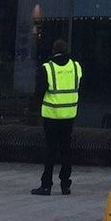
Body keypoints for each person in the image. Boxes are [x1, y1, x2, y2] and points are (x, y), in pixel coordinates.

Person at [31, 39, 82, 196]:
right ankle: (65, 185)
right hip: (69, 116)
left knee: (51, 151)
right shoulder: (75, 66)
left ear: (53, 51)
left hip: (52, 116)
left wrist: (34, 110)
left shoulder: (47, 68)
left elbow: (39, 92)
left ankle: (46, 185)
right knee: (66, 150)